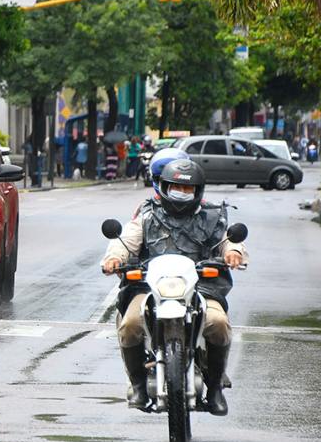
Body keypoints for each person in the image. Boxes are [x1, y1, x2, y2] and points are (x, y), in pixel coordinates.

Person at [102, 160, 248, 415]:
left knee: (219, 324)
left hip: (202, 286)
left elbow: (229, 241)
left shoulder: (213, 216)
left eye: (187, 189)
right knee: (130, 325)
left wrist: (233, 252)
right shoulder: (148, 215)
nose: (181, 193)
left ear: (198, 191)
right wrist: (114, 258)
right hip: (148, 287)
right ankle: (138, 385)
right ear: (164, 188)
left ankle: (215, 388)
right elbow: (125, 240)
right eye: (176, 188)